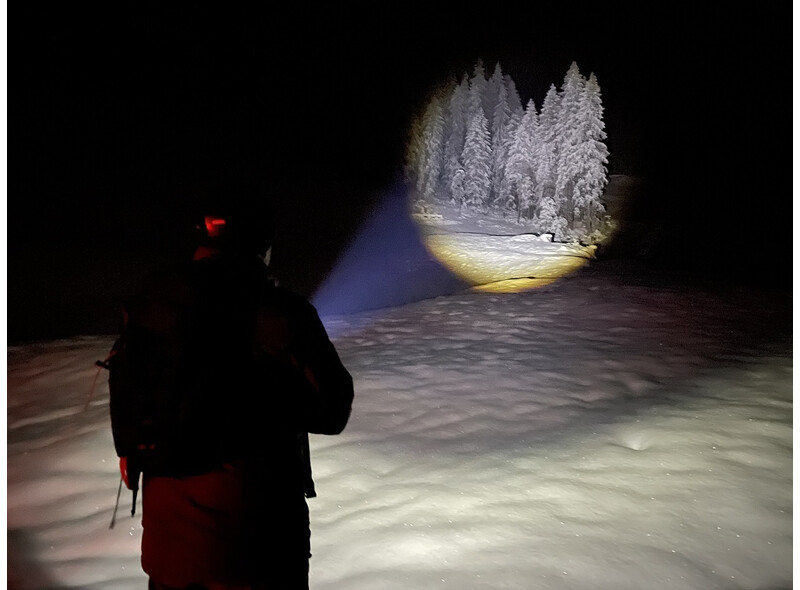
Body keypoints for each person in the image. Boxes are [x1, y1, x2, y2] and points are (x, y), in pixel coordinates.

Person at [108, 199, 354, 589]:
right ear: (261, 242)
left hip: (170, 546)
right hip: (257, 549)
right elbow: (333, 410)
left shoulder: (154, 306)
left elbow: (130, 417)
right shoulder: (279, 311)